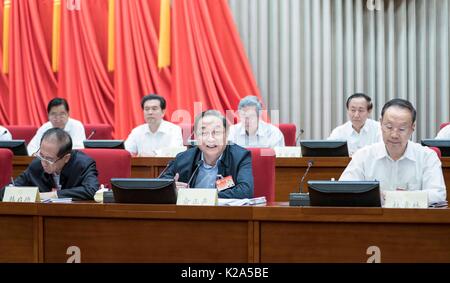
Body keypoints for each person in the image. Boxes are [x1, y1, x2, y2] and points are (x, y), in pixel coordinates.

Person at [340, 98, 446, 205]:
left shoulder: (427, 156)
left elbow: (438, 195)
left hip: (414, 219)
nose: (394, 135)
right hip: (373, 219)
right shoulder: (363, 155)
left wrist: (395, 197)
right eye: (389, 127)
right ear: (381, 123)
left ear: (412, 127)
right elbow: (344, 189)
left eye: (401, 129)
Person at [160, 110, 254, 199]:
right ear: (196, 137)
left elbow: (245, 191)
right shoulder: (184, 158)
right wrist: (171, 189)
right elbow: (159, 185)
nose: (210, 139)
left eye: (216, 132)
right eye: (203, 133)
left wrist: (203, 196)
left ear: (227, 134)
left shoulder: (240, 157)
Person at [3, 128, 99, 200]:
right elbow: (10, 189)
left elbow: (92, 190)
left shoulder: (83, 164)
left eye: (49, 159)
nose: (43, 162)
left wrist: (53, 195)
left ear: (66, 158)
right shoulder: (36, 164)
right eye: (41, 155)